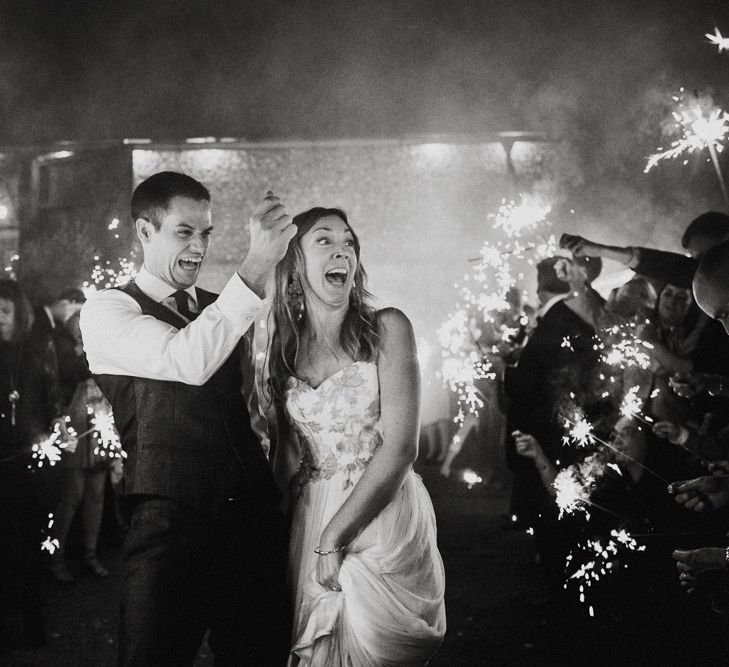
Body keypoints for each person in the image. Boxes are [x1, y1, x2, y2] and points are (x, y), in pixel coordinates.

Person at [80, 171, 295, 666]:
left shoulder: (225, 307)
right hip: (169, 522)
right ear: (144, 232)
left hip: (249, 517)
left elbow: (248, 407)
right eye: (185, 231)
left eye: (207, 233)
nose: (199, 245)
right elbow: (186, 360)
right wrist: (258, 264)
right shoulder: (108, 310)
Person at [267, 207, 446, 666]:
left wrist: (333, 536)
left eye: (348, 242)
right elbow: (286, 455)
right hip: (311, 512)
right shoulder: (283, 351)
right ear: (295, 265)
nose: (341, 249)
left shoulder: (388, 328)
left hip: (380, 511)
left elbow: (403, 447)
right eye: (324, 240)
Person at [0, 279, 63, 650]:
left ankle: (31, 617)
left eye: (4, 311)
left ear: (19, 311)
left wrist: (56, 428)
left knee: (26, 543)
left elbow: (52, 398)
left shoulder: (39, 347)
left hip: (29, 467)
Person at [50, 311, 111, 582]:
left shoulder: (103, 345)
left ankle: (90, 555)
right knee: (71, 495)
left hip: (98, 423)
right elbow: (71, 376)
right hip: (75, 425)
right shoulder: (63, 350)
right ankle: (55, 558)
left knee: (96, 495)